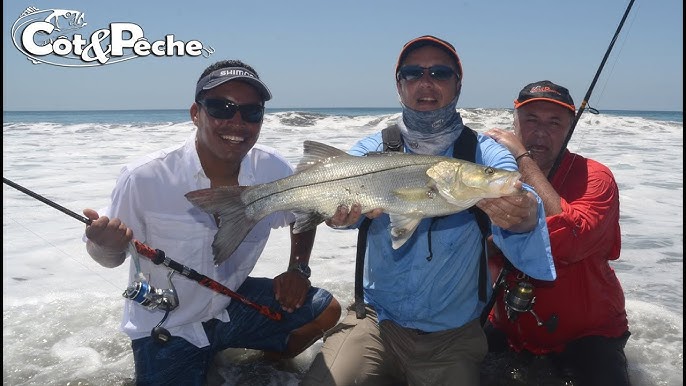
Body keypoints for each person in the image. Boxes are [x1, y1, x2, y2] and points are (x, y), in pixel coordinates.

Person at [301, 35, 555, 386]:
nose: (426, 82)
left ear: (458, 85)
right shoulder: (372, 149)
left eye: (440, 72)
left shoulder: (485, 152)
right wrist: (338, 216)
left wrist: (524, 214)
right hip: (375, 321)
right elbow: (342, 210)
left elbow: (524, 201)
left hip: (452, 335)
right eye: (412, 73)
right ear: (399, 85)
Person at [82, 59, 342, 386]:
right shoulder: (144, 178)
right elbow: (109, 258)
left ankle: (265, 364)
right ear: (196, 113)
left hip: (232, 305)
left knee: (326, 311)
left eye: (251, 112)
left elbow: (303, 212)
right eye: (221, 107)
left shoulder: (272, 168)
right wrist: (105, 244)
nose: (237, 122)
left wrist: (297, 269)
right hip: (168, 325)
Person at [483, 80, 630, 385]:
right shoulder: (488, 173)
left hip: (588, 335)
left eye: (554, 122)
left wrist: (523, 160)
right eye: (531, 120)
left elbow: (570, 240)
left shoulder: (596, 178)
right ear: (515, 122)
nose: (540, 132)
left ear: (569, 127)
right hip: (510, 330)